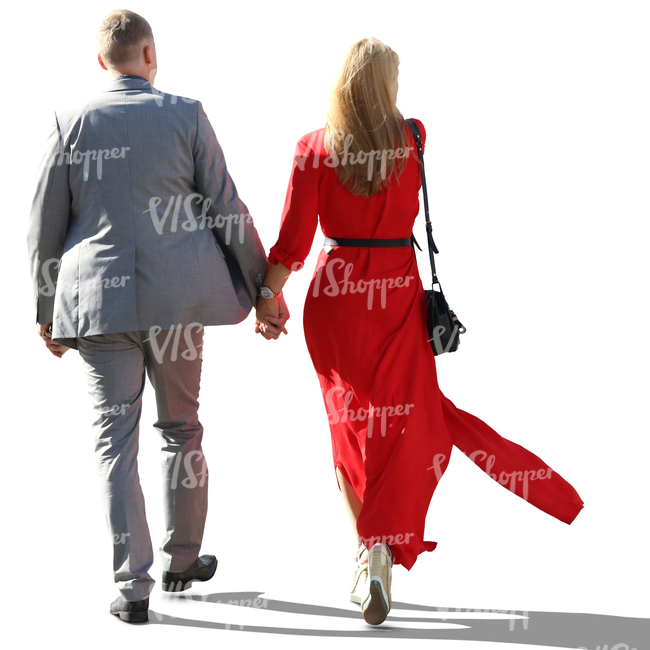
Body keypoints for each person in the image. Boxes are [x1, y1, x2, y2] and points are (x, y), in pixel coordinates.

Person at [255, 37, 584, 626]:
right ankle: (380, 548)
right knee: (410, 424)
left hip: (334, 300)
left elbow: (293, 242)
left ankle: (368, 553)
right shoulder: (414, 139)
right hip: (396, 297)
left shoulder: (312, 150)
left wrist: (266, 296)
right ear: (386, 87)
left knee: (348, 429)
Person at [27, 10, 285, 622]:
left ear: (100, 62)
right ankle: (182, 560)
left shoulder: (69, 121)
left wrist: (46, 309)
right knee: (182, 430)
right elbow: (227, 206)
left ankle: (132, 587)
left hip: (99, 308)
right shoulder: (187, 113)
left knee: (113, 444)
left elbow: (43, 225)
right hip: (177, 305)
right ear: (151, 55)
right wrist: (263, 290)